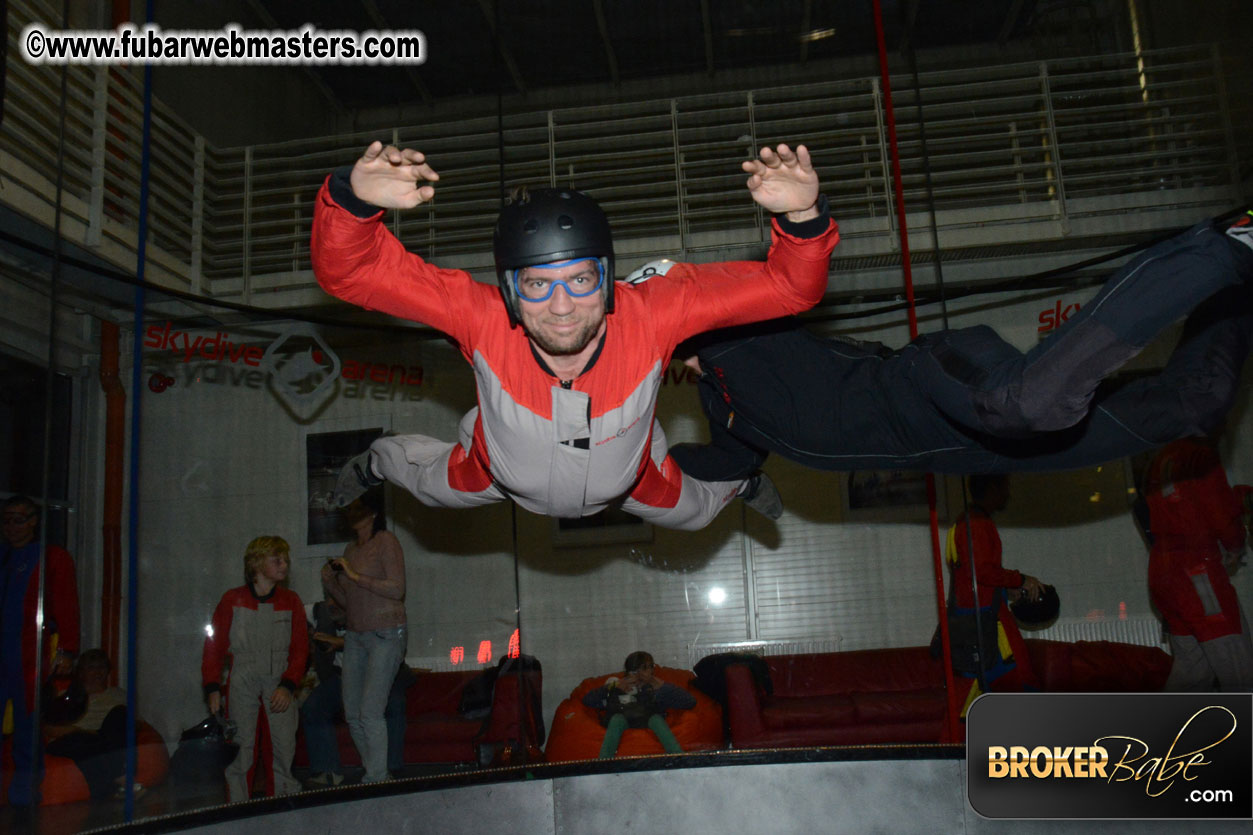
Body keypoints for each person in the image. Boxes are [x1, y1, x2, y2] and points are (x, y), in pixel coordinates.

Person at [311, 141, 840, 529]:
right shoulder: (481, 316)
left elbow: (791, 290)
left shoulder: (654, 313)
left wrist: (802, 216)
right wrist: (353, 202)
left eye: (580, 280)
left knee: (697, 514)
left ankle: (740, 482)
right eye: (538, 284)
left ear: (607, 278)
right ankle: (371, 463)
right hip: (494, 471)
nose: (561, 307)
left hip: (630, 476)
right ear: (510, 290)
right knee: (420, 480)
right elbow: (349, 274)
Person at [668, 213, 1253, 481]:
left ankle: (1226, 246)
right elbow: (724, 463)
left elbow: (780, 282)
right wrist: (603, 482)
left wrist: (799, 218)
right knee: (1196, 403)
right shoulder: (723, 408)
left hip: (928, 386)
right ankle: (1237, 293)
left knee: (1032, 404)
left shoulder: (741, 335)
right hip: (976, 454)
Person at [201, 536, 308, 801]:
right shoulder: (232, 599)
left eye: (285, 559)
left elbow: (300, 649)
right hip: (242, 679)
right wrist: (212, 686)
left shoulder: (291, 600)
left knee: (284, 745)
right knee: (240, 747)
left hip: (279, 678)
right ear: (257, 564)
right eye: (277, 559)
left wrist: (288, 684)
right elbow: (214, 647)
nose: (285, 564)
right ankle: (238, 809)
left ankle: (284, 807)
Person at [1141, 436, 1253, 691]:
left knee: (1192, 670)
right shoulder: (1199, 455)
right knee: (1240, 671)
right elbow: (1219, 512)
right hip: (1197, 572)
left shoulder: (1158, 458)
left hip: (1163, 571)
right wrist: (1235, 543)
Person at [319, 495, 406, 784]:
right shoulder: (350, 549)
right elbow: (349, 604)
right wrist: (331, 582)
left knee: (370, 711)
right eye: (349, 510)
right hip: (356, 635)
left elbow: (397, 589)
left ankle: (377, 779)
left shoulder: (386, 541)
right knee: (354, 713)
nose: (353, 515)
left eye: (358, 509)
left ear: (372, 514)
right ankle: (376, 774)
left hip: (386, 632)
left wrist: (354, 576)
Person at [1, 495, 79, 811]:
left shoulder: (51, 558)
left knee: (27, 729)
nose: (11, 527)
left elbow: (66, 606)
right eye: (6, 519)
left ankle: (25, 802)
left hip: (28, 657)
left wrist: (67, 651)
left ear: (34, 521)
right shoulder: (3, 556)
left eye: (18, 519)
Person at [944, 475, 1043, 714]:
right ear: (992, 488)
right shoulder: (976, 524)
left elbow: (971, 576)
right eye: (1005, 487)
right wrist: (1021, 579)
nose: (1008, 493)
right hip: (985, 627)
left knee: (975, 700)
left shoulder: (965, 522)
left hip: (977, 623)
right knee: (1018, 685)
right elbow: (983, 571)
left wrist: (1005, 590)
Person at [300, 596, 413, 786]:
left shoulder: (374, 612)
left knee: (393, 704)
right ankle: (327, 771)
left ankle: (389, 770)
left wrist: (338, 642)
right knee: (313, 707)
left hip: (382, 675)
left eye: (339, 599)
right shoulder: (317, 611)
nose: (332, 605)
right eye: (330, 599)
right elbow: (291, 611)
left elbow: (386, 643)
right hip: (340, 677)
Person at [43, 650, 131, 801]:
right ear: (81, 672)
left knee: (120, 713)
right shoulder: (64, 695)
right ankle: (122, 781)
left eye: (102, 667)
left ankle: (114, 786)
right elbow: (46, 727)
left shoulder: (119, 695)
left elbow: (136, 726)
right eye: (91, 667)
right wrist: (79, 731)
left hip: (104, 738)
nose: (97, 672)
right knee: (83, 740)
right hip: (71, 737)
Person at [581, 651, 695, 759]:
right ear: (631, 672)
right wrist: (615, 686)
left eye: (651, 667)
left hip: (648, 718)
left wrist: (661, 685)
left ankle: (678, 757)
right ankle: (604, 762)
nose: (648, 671)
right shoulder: (616, 684)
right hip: (623, 717)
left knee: (657, 719)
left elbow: (690, 702)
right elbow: (588, 700)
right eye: (643, 668)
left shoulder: (656, 688)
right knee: (616, 719)